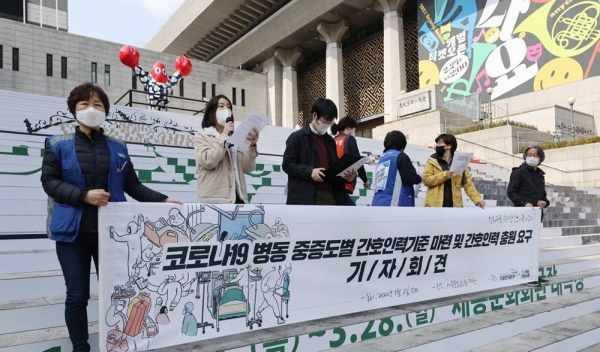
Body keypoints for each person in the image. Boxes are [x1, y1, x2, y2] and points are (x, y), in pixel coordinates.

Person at [40, 82, 181, 352]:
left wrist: (162, 200)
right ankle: (80, 347)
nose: (91, 109)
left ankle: (119, 342)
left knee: (117, 294)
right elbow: (49, 182)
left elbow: (133, 186)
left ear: (105, 110)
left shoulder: (118, 147)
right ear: (73, 109)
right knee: (77, 295)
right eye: (84, 104)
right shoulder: (57, 145)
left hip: (110, 235)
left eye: (98, 104)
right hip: (73, 234)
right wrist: (83, 195)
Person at [282, 98, 356, 205]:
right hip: (307, 195)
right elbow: (287, 164)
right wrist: (310, 171)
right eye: (326, 120)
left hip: (331, 193)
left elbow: (334, 168)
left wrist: (347, 177)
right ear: (315, 116)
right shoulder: (297, 137)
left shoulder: (330, 141)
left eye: (331, 121)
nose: (328, 124)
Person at [194, 94, 259, 204]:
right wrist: (224, 135)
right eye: (221, 106)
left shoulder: (235, 138)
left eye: (229, 107)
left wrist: (251, 146)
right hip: (214, 200)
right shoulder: (202, 136)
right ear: (211, 112)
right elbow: (208, 161)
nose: (226, 110)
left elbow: (248, 167)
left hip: (239, 198)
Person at [507, 145, 550, 287]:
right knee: (524, 247)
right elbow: (511, 193)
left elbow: (543, 196)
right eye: (529, 154)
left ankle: (533, 274)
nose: (532, 157)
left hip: (536, 215)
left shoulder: (540, 175)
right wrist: (524, 203)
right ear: (525, 156)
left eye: (535, 155)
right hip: (523, 215)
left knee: (533, 246)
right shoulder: (518, 172)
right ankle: (523, 275)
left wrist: (545, 202)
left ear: (541, 158)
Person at [423, 133, 485, 208]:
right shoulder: (432, 161)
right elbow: (426, 180)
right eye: (437, 143)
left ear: (449, 146)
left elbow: (468, 184)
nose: (437, 146)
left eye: (440, 143)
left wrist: (477, 200)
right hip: (435, 207)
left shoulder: (460, 162)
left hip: (455, 208)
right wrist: (444, 175)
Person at [371, 131, 422, 206]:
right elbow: (409, 178)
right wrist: (420, 177)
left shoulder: (382, 159)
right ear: (402, 144)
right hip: (394, 203)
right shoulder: (400, 156)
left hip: (378, 202)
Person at [331, 117, 369, 197]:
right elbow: (358, 161)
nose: (353, 132)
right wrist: (365, 180)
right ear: (348, 127)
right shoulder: (350, 139)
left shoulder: (333, 140)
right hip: (346, 180)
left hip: (333, 183)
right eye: (353, 130)